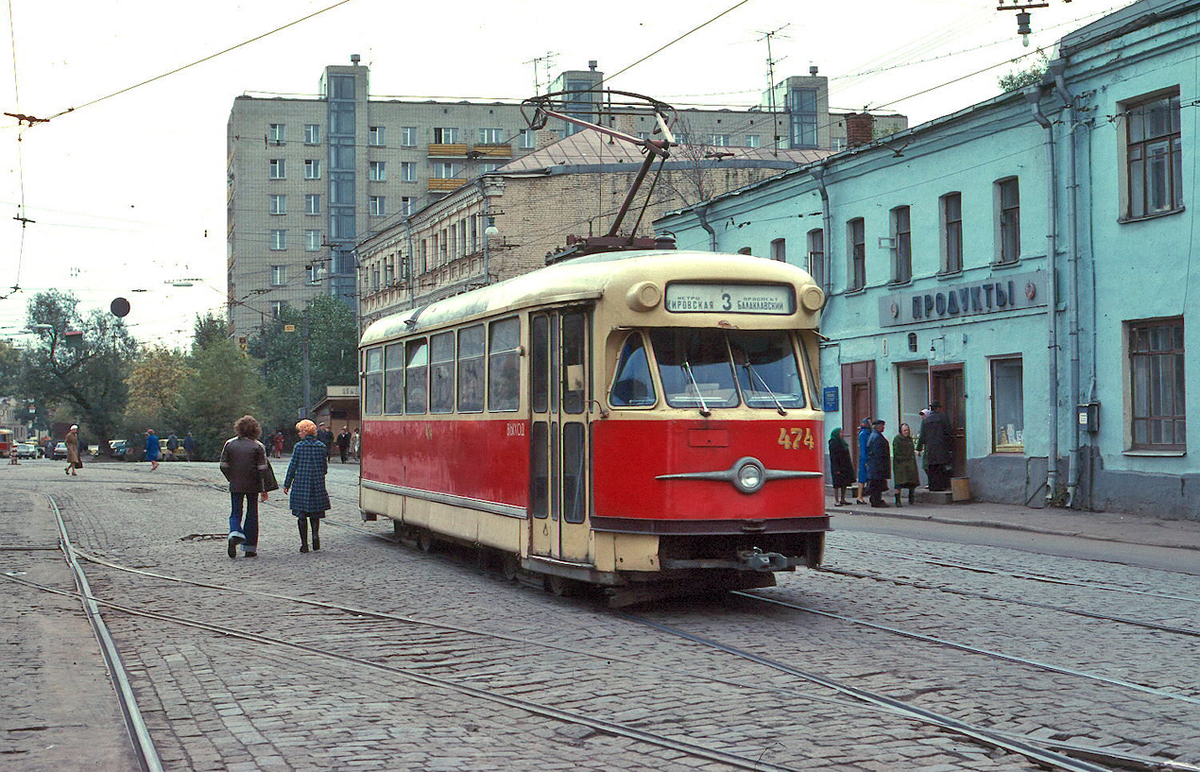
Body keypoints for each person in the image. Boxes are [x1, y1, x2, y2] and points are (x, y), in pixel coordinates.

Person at [220, 415, 271, 559]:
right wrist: (263, 489)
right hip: (253, 484)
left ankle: (235, 532)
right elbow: (263, 469)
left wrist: (231, 477)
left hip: (235, 483)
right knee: (252, 513)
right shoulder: (258, 446)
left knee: (235, 511)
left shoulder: (229, 444)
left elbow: (223, 465)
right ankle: (250, 548)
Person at [284, 419, 331, 554]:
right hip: (317, 483)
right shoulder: (321, 447)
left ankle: (304, 544)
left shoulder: (299, 447)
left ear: (304, 432)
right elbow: (324, 468)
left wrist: (287, 484)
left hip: (301, 484)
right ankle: (315, 535)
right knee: (315, 513)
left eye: (300, 431)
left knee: (302, 514)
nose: (299, 434)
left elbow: (292, 466)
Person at [917, 401, 954, 492]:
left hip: (930, 448)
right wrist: (950, 446)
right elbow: (948, 432)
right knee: (941, 467)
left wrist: (919, 448)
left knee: (932, 467)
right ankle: (942, 485)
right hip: (941, 446)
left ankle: (933, 486)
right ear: (938, 408)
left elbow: (922, 435)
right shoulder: (943, 418)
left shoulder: (926, 420)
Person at [865, 419, 892, 508]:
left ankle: (875, 499)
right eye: (882, 426)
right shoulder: (877, 437)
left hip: (874, 465)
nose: (883, 428)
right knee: (877, 485)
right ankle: (876, 501)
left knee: (875, 484)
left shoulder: (873, 435)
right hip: (877, 466)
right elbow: (878, 453)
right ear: (879, 427)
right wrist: (882, 466)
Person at [892, 422, 920, 507]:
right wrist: (904, 458)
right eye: (904, 430)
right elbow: (896, 453)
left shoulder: (909, 439)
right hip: (900, 465)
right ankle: (897, 500)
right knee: (898, 484)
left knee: (912, 482)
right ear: (901, 431)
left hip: (910, 464)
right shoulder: (897, 439)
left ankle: (911, 498)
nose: (906, 432)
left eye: (907, 430)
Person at [828, 427, 855, 506]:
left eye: (842, 433)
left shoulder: (842, 442)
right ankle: (836, 500)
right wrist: (836, 469)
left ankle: (843, 499)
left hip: (845, 466)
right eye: (840, 433)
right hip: (837, 466)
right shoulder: (833, 442)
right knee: (837, 484)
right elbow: (833, 457)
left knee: (845, 483)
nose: (842, 434)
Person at [855, 417, 872, 505]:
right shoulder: (863, 434)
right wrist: (865, 460)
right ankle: (859, 496)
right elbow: (863, 449)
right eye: (869, 422)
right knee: (862, 478)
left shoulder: (869, 433)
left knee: (868, 477)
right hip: (864, 459)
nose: (871, 424)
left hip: (868, 458)